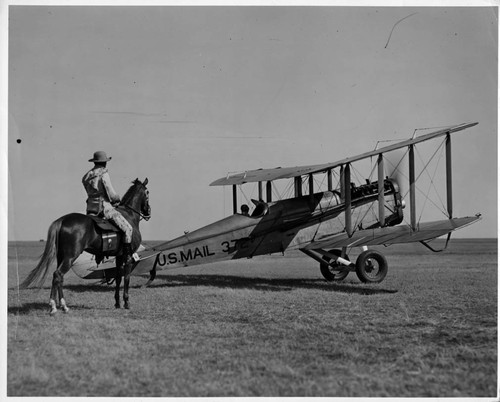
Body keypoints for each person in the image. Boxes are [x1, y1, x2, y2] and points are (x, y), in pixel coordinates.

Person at [82, 151, 134, 264]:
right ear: (104, 162)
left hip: (91, 209)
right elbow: (111, 193)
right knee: (128, 229)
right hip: (104, 208)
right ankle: (127, 257)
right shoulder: (103, 173)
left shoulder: (86, 176)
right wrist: (117, 200)